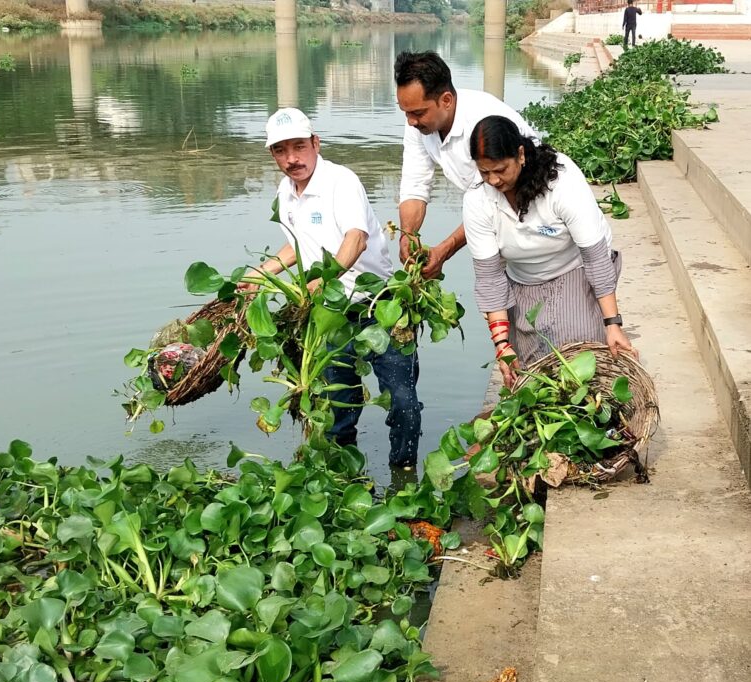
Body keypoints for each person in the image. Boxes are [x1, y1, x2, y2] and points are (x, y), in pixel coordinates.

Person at [246, 107, 421, 469]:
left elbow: (355, 240)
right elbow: (296, 247)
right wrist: (260, 275)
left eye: (299, 146)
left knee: (402, 401)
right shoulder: (285, 192)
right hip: (330, 315)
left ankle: (404, 479)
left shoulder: (341, 181)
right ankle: (342, 480)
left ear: (315, 143)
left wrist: (321, 282)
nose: (292, 159)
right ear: (272, 154)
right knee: (336, 403)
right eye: (281, 151)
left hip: (380, 307)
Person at [462, 115, 636, 388]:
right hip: (522, 279)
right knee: (537, 371)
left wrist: (612, 323)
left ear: (520, 154)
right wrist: (502, 345)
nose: (493, 180)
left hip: (573, 267)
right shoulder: (477, 200)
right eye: (485, 173)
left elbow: (595, 256)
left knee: (580, 352)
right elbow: (490, 278)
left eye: (500, 170)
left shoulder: (561, 180)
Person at [395, 50, 539, 279]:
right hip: (494, 220)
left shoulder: (482, 122)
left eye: (418, 113)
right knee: (495, 301)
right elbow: (415, 184)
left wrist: (445, 250)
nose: (411, 121)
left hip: (533, 217)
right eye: (406, 112)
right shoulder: (418, 124)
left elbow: (490, 198)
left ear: (446, 100)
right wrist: (407, 234)